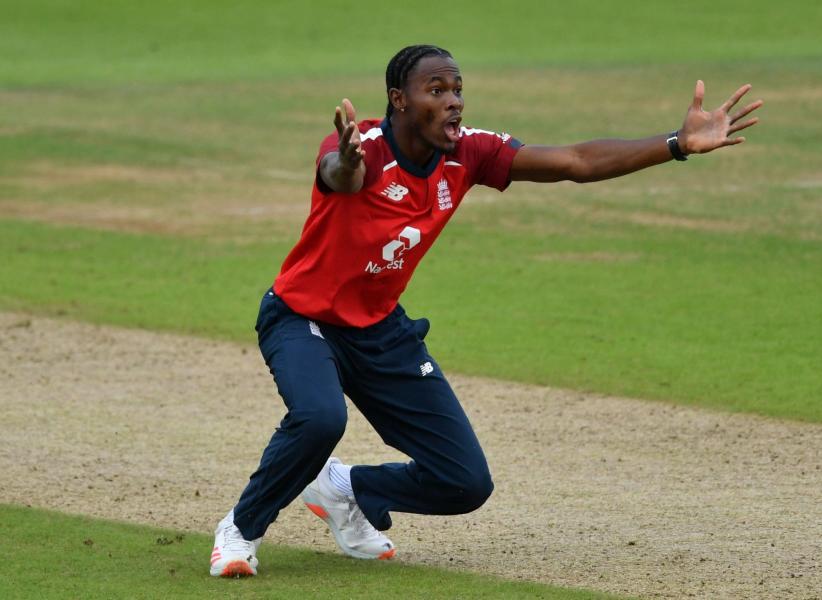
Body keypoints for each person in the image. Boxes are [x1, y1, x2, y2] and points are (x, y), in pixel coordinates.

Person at [209, 44, 762, 577]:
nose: (453, 100)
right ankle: (240, 530)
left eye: (457, 89)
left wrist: (675, 144)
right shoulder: (362, 147)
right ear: (399, 100)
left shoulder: (468, 151)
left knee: (465, 481)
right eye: (436, 89)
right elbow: (341, 174)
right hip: (302, 318)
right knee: (321, 418)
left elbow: (575, 161)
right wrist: (348, 159)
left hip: (380, 331)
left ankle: (349, 488)